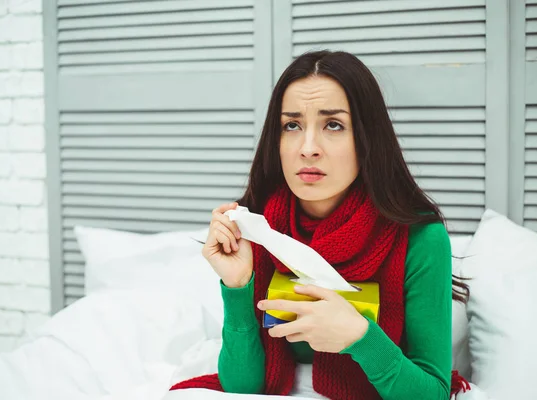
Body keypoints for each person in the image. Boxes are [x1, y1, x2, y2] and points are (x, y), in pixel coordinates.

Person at [170, 50, 470, 399]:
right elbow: (242, 388)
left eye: (333, 125)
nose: (308, 148)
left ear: (366, 138)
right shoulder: (259, 228)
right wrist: (236, 285)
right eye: (292, 125)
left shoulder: (420, 238)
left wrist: (360, 338)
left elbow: (433, 392)